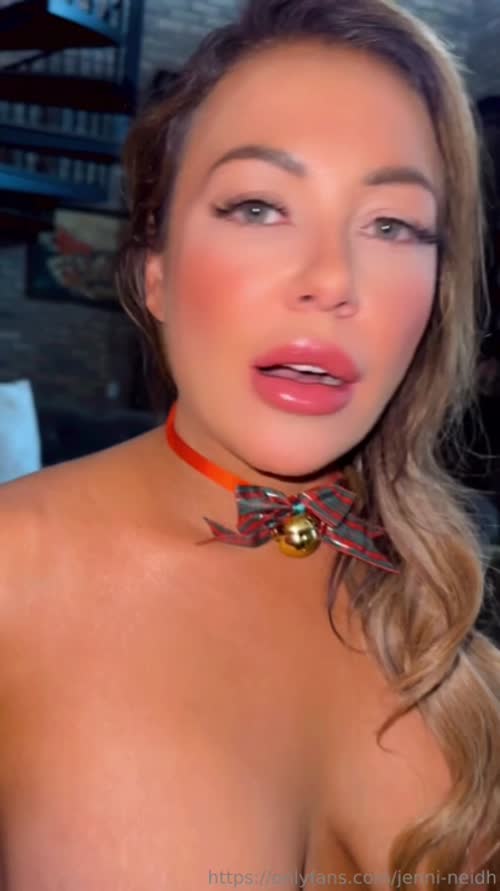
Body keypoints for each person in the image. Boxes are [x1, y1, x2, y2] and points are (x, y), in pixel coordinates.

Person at [1, 0, 499, 886]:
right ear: (154, 270)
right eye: (260, 207)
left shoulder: (460, 651)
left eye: (393, 224)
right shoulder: (16, 575)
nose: (333, 279)